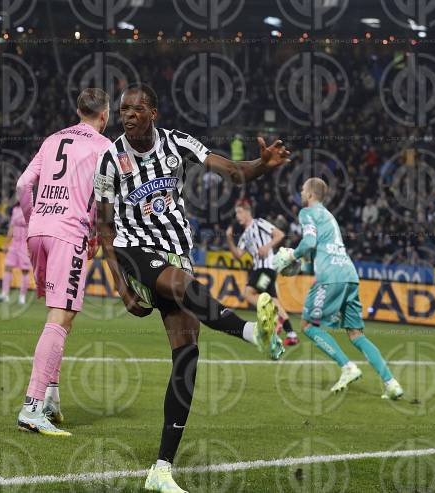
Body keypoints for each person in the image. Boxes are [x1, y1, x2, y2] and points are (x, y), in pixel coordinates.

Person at [94, 84, 290, 493]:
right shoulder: (111, 159)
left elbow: (231, 170)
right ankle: (253, 333)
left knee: (187, 357)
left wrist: (262, 165)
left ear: (154, 112)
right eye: (124, 109)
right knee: (183, 286)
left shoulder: (177, 143)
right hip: (134, 251)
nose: (128, 114)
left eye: (137, 108)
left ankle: (161, 469)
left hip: (177, 251)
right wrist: (119, 285)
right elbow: (104, 227)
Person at [14, 88, 111, 436]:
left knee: (60, 315)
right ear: (105, 114)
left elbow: (24, 183)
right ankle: (32, 407)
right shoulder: (105, 148)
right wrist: (98, 237)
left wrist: (32, 220)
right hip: (69, 233)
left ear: (78, 110)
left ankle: (51, 399)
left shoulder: (52, 139)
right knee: (61, 315)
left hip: (38, 228)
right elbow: (105, 198)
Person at [274, 177, 404, 398]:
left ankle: (347, 367)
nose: (301, 193)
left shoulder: (306, 213)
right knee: (356, 334)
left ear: (311, 194)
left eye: (303, 189)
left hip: (330, 276)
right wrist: (302, 261)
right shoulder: (329, 216)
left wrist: (291, 255)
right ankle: (391, 384)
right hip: (349, 274)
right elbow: (320, 247)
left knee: (307, 325)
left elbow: (309, 243)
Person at [226, 199, 299, 346]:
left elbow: (279, 234)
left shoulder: (259, 223)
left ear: (247, 212)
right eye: (236, 213)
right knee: (275, 301)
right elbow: (238, 254)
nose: (238, 216)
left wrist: (267, 246)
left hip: (266, 267)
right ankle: (291, 334)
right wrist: (229, 238)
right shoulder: (245, 235)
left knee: (248, 293)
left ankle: (273, 317)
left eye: (239, 212)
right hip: (262, 269)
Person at [0, 204, 31, 305]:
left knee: (25, 271)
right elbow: (11, 228)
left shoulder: (32, 209)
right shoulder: (15, 209)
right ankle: (4, 294)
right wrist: (6, 243)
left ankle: (22, 296)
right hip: (14, 244)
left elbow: (33, 229)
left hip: (25, 245)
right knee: (8, 267)